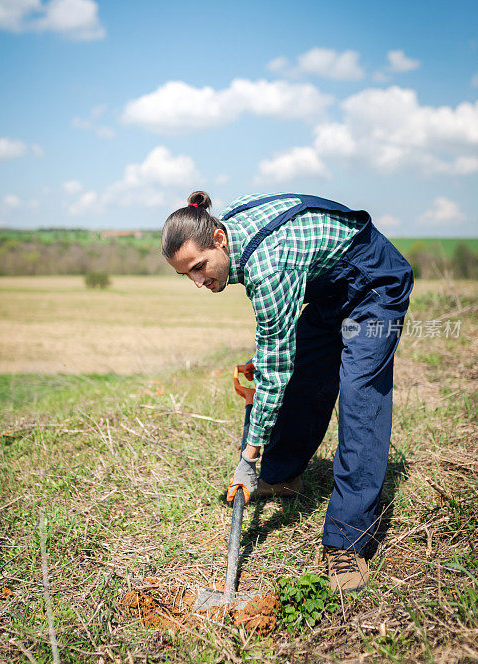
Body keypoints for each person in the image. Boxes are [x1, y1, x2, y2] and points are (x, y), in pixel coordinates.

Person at [161, 190, 413, 593]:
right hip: (331, 290)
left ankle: (349, 541)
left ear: (219, 240)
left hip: (375, 286)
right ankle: (281, 476)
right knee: (305, 375)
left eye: (199, 266)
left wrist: (249, 453)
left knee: (359, 397)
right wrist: (264, 368)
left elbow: (276, 368)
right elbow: (277, 359)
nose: (197, 281)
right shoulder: (230, 230)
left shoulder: (268, 265)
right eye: (185, 274)